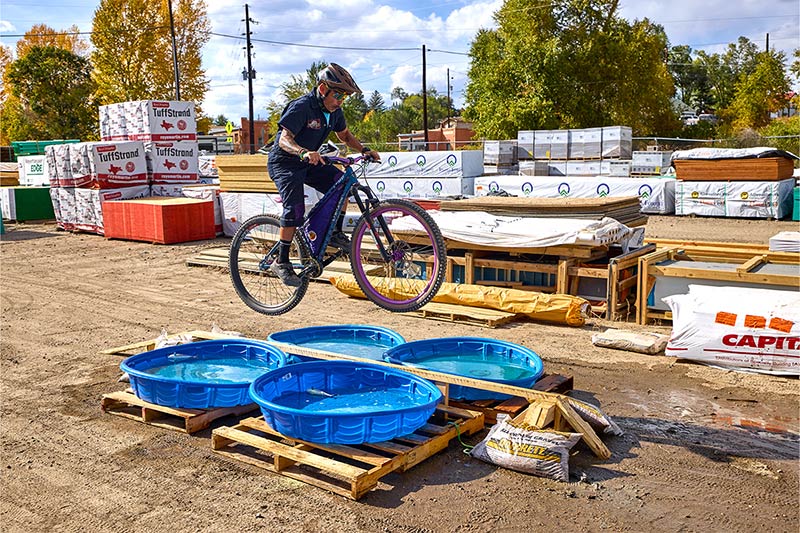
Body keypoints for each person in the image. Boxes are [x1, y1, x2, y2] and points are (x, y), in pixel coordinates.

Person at [267, 63, 380, 287]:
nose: (340, 101)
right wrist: (303, 152)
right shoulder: (302, 107)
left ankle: (336, 232)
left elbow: (345, 136)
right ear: (322, 89)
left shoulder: (334, 112)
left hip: (310, 161)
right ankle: (281, 261)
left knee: (342, 184)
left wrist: (364, 150)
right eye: (337, 94)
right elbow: (284, 139)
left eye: (344, 97)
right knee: (295, 207)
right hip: (285, 162)